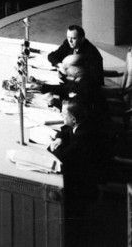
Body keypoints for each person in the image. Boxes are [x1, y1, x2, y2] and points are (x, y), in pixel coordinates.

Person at [48, 99, 113, 242]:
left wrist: (53, 146)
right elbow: (65, 130)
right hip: (81, 170)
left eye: (64, 114)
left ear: (74, 118)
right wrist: (59, 139)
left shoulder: (84, 136)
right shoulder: (81, 124)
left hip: (84, 183)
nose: (61, 116)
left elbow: (64, 156)